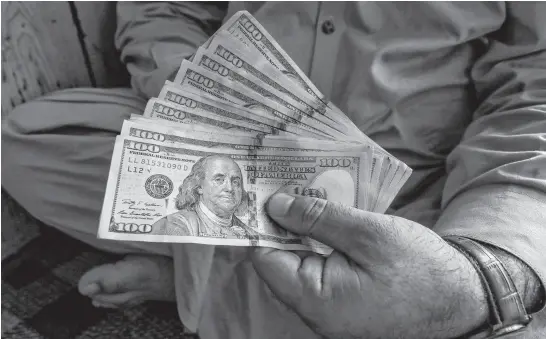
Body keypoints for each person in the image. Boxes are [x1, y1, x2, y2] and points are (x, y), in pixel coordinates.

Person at [2, 2, 545, 338]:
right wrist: (198, 96)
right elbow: (164, 11)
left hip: (415, 186)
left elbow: (533, 90)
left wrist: (476, 272)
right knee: (30, 141)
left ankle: (196, 288)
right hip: (222, 150)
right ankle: (240, 289)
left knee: (477, 294)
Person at [150, 154, 259, 238]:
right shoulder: (172, 226)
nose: (230, 188)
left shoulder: (251, 235)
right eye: (219, 180)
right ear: (199, 186)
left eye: (235, 182)